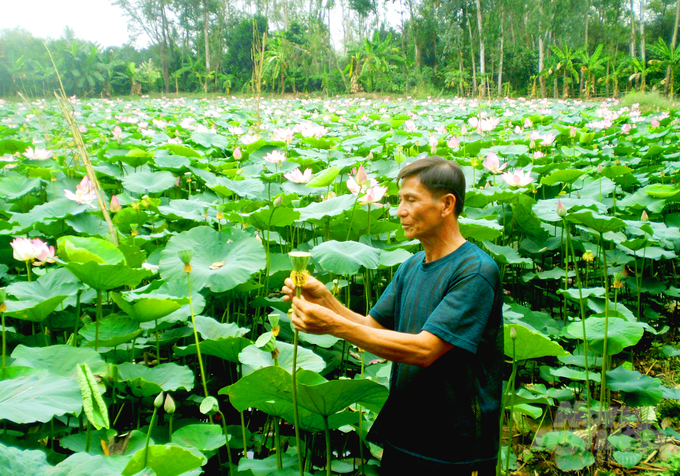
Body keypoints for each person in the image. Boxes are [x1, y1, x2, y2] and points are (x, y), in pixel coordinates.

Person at [282, 156, 504, 476]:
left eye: (411, 200)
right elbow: (371, 327)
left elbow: (425, 350)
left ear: (446, 204)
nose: (400, 211)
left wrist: (333, 325)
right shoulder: (410, 267)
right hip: (406, 432)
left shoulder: (475, 271)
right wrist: (326, 300)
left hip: (455, 446)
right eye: (400, 200)